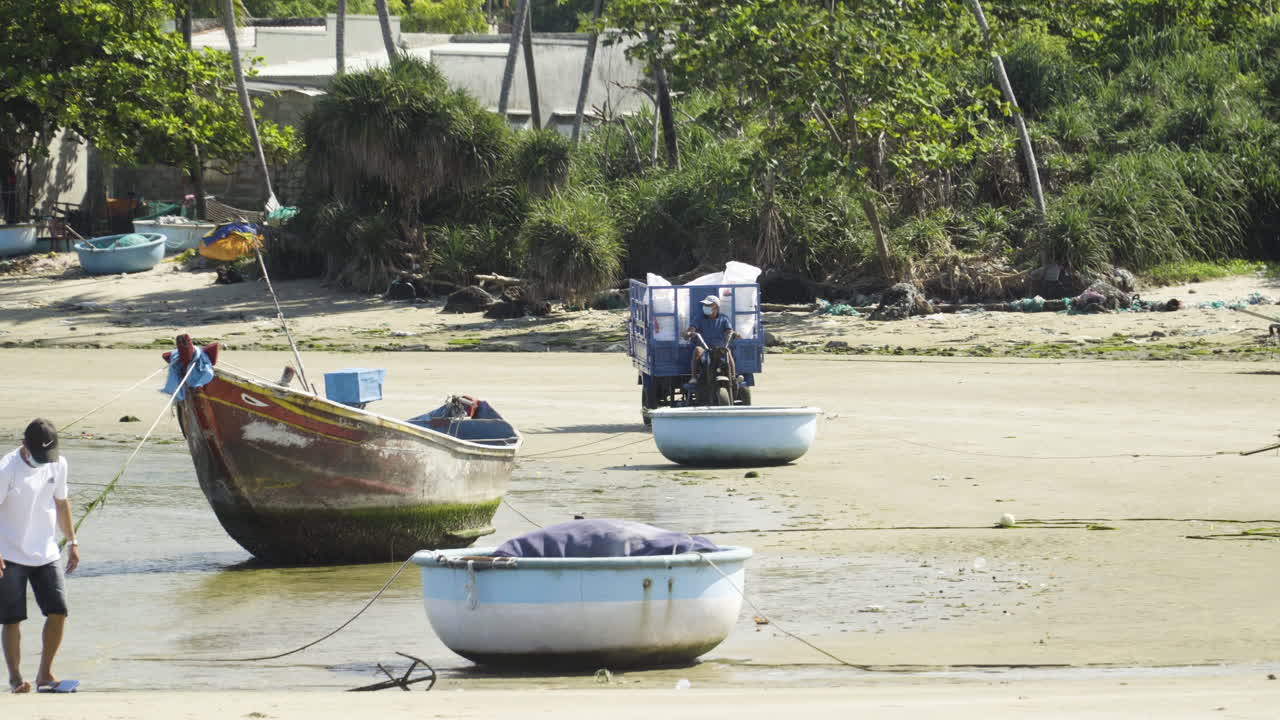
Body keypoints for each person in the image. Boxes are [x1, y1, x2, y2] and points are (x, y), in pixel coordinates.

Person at [0, 419, 78, 694]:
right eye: (38, 455)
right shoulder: (6, 469)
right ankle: (15, 679)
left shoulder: (58, 463)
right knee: (12, 619)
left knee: (59, 610)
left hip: (46, 552)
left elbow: (61, 502)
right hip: (9, 554)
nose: (43, 461)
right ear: (24, 445)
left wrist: (72, 541)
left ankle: (45, 674)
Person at [684, 294, 735, 378]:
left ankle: (732, 377)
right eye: (705, 305)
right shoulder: (699, 318)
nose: (706, 306)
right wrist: (689, 333)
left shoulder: (723, 318)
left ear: (717, 307)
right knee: (697, 350)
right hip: (704, 348)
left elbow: (728, 330)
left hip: (718, 348)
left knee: (727, 351)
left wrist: (732, 333)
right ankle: (693, 377)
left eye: (709, 305)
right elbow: (692, 328)